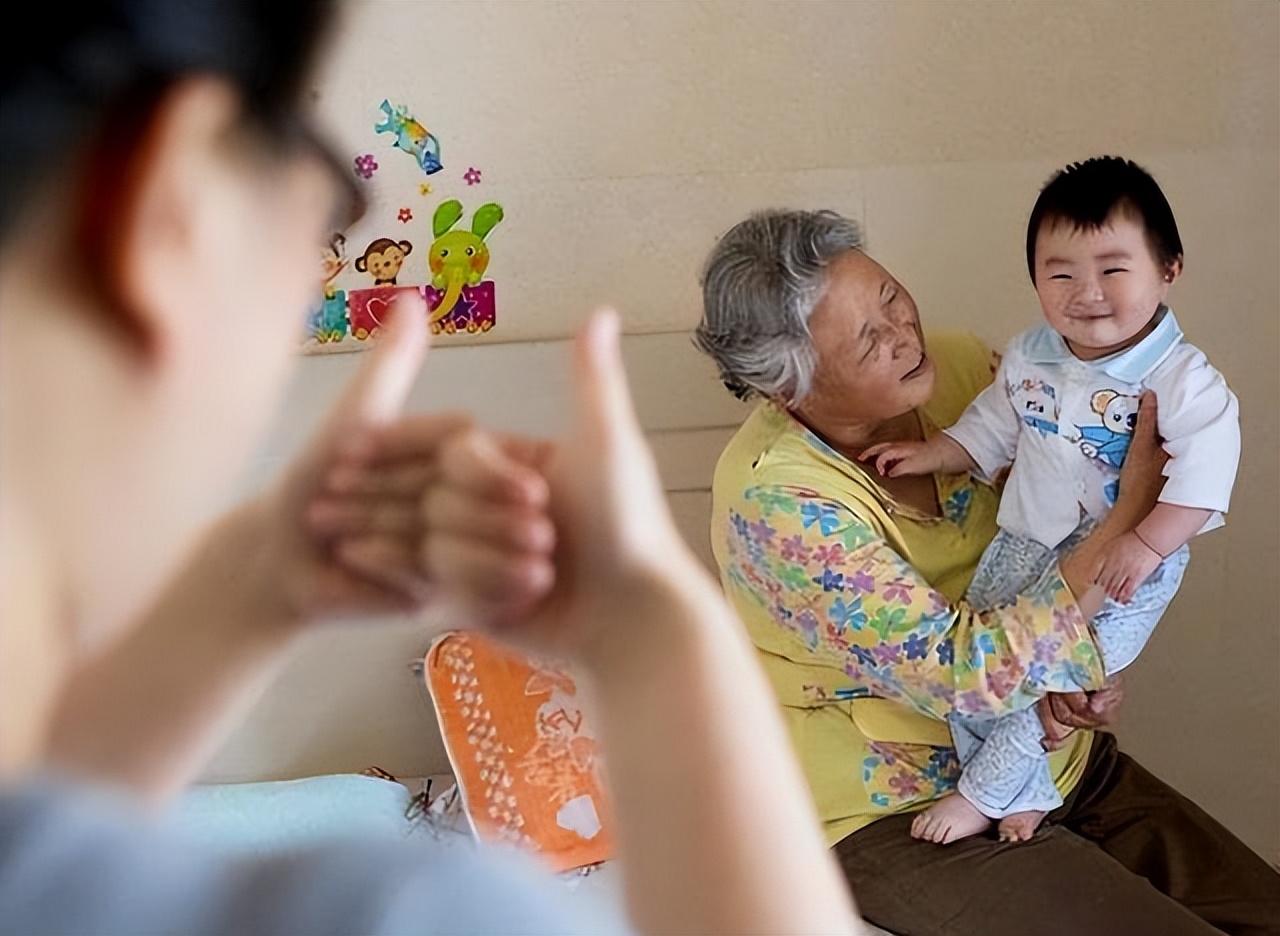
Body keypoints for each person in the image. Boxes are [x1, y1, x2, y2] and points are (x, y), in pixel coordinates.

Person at [0, 3, 859, 934]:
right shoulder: (390, 912)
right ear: (169, 209)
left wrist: (253, 584)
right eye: (311, 150)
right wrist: (659, 642)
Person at [695, 208, 1280, 935]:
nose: (903, 335)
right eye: (868, 340)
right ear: (792, 389)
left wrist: (1079, 676)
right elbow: (962, 674)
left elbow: (1071, 495)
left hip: (1044, 755)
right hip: (894, 811)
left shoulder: (965, 368)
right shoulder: (776, 502)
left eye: (890, 298)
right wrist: (1132, 512)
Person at [861, 156, 1240, 845]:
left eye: (1113, 270)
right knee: (986, 668)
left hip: (1132, 564)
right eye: (1059, 272)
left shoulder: (1183, 379)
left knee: (1049, 687)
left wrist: (1146, 542)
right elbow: (992, 427)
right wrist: (933, 452)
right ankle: (1022, 792)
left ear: (1169, 270)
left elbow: (1206, 478)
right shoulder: (1033, 354)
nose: (1086, 292)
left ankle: (981, 794)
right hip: (1027, 539)